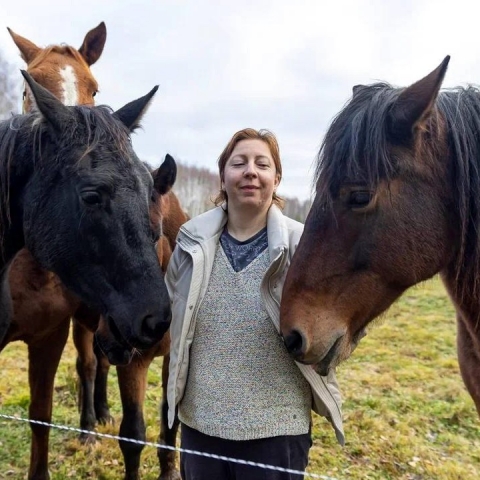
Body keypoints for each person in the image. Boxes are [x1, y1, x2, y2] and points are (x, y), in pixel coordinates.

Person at [166, 128, 344, 480]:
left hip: (276, 431)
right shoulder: (189, 244)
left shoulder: (304, 248)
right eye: (239, 163)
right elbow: (174, 313)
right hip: (201, 426)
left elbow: (336, 329)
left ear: (276, 179)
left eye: (262, 164)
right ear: (223, 176)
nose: (250, 171)